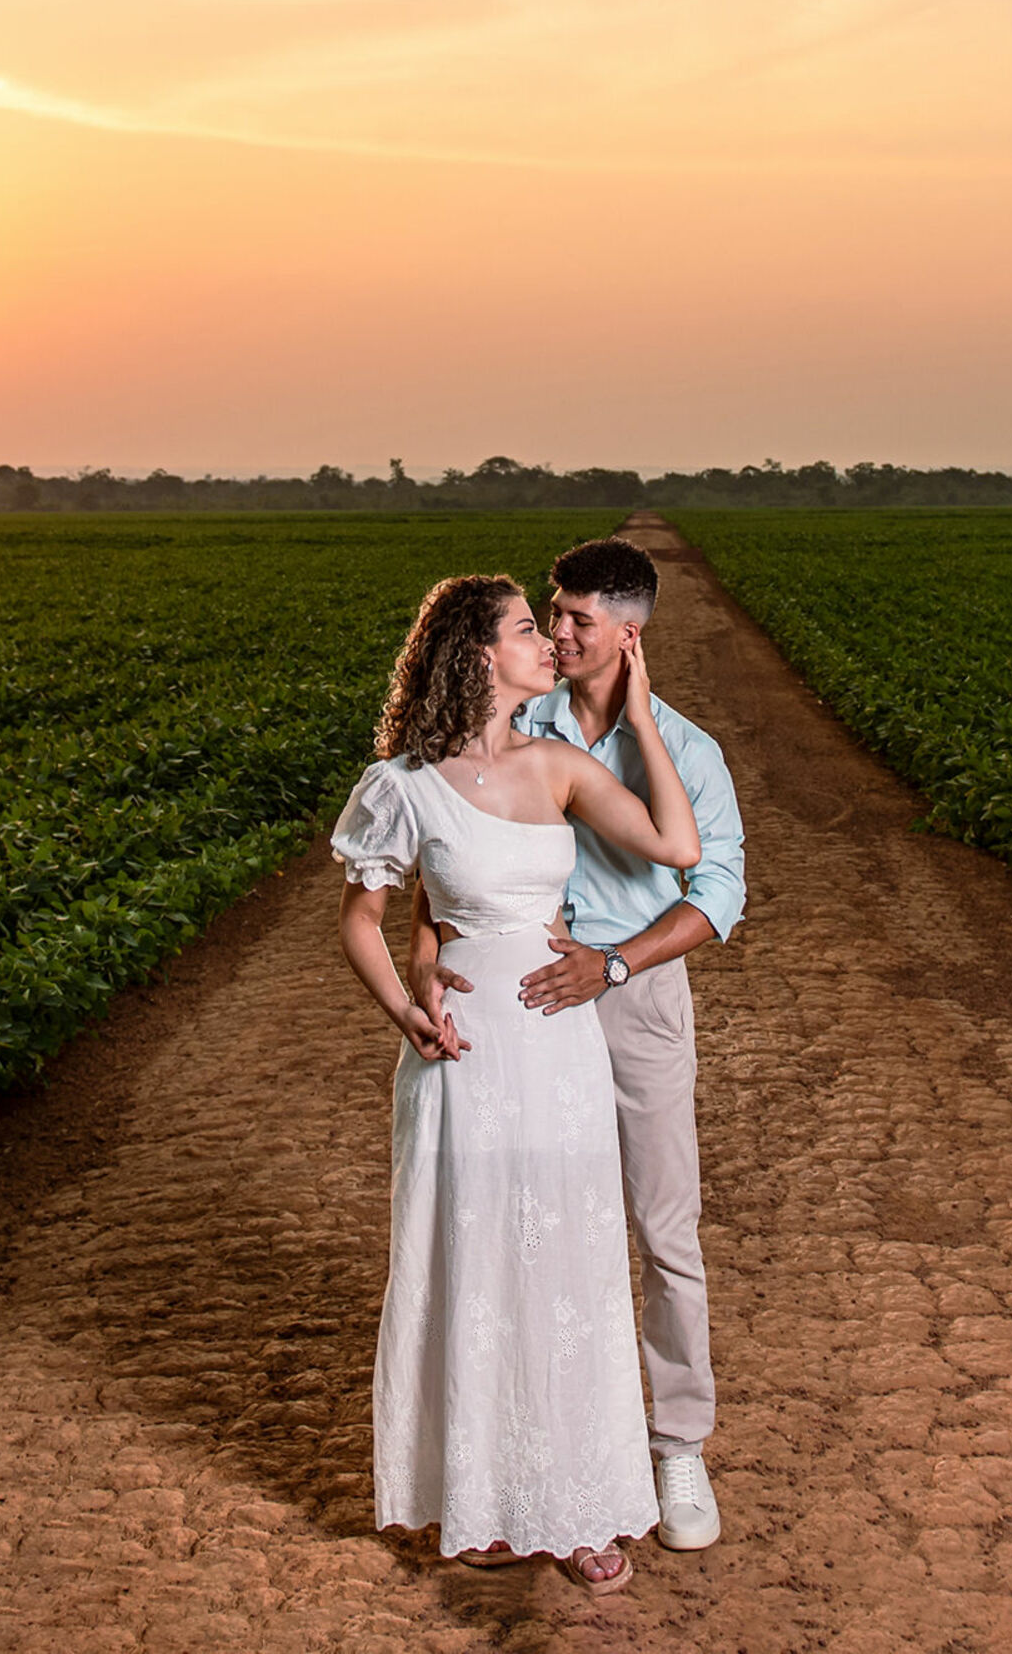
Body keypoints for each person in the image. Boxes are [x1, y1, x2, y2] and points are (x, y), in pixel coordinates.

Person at [333, 573, 701, 1593]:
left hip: (560, 1047)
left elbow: (679, 847)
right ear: (479, 654)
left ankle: (581, 1503)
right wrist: (406, 1004)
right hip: (464, 1053)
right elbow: (362, 916)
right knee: (476, 1260)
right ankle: (484, 1497)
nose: (549, 642)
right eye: (529, 629)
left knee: (571, 1264)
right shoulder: (401, 784)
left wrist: (641, 719)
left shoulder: (560, 765)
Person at [408, 536, 744, 1552]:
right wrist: (428, 965)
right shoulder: (518, 723)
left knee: (660, 1222)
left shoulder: (686, 752)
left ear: (627, 635)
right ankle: (535, 1448)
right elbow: (442, 870)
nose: (555, 633)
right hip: (524, 1006)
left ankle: (678, 1439)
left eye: (575, 620)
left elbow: (714, 891)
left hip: (631, 994)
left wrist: (613, 963)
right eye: (546, 615)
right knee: (536, 1222)